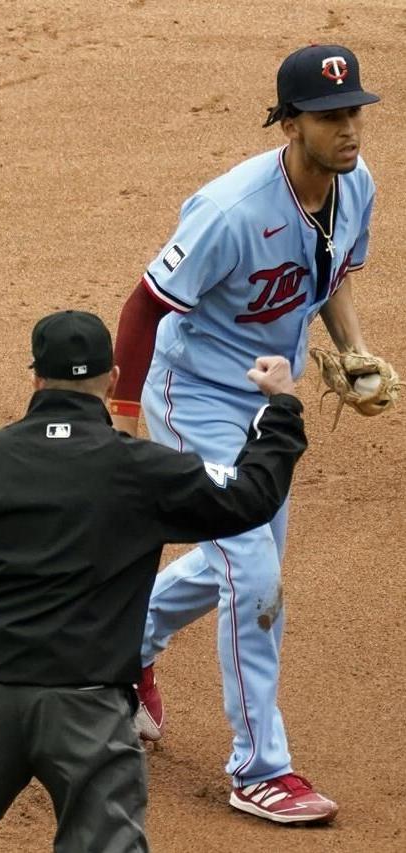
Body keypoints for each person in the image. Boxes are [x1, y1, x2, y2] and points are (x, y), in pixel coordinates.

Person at [0, 310, 308, 852]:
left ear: (35, 378)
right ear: (114, 379)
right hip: (87, 707)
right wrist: (279, 409)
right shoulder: (141, 468)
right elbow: (251, 495)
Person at [108, 43, 382, 824]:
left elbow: (333, 278)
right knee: (252, 577)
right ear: (290, 122)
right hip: (191, 393)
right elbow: (143, 305)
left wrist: (353, 352)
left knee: (239, 563)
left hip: (268, 404)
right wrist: (125, 418)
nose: (349, 129)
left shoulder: (354, 185)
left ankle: (118, 652)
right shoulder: (231, 209)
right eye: (330, 117)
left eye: (354, 112)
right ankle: (258, 768)